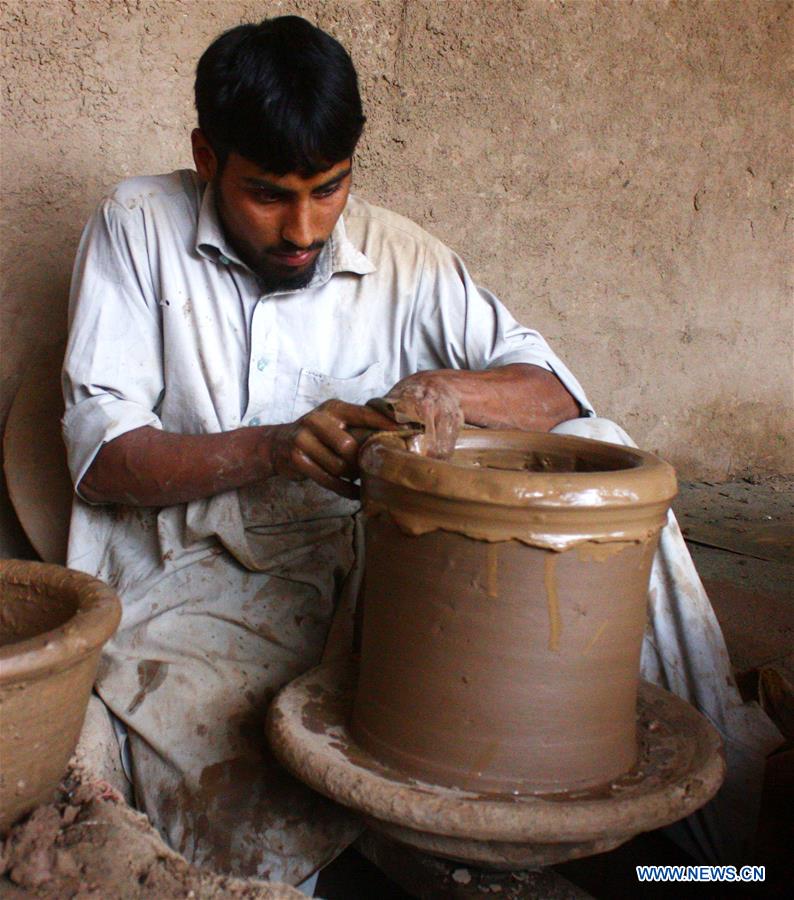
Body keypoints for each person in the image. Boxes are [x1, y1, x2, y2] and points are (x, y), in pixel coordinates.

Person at [62, 15, 780, 890]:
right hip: (203, 577)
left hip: (376, 556)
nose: (303, 226)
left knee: (604, 456)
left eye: (328, 189)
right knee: (251, 801)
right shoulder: (135, 228)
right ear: (206, 157)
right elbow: (104, 461)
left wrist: (452, 392)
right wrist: (272, 447)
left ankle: (727, 856)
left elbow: (556, 390)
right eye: (268, 194)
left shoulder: (402, 255)